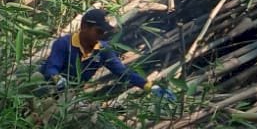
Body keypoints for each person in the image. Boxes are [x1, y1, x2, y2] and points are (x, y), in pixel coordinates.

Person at [41, 8, 172, 101]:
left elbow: (122, 72)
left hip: (68, 96)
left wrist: (148, 86)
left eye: (105, 32)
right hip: (47, 88)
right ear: (84, 26)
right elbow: (51, 68)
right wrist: (58, 80)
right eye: (99, 31)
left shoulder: (103, 50)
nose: (102, 35)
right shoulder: (64, 43)